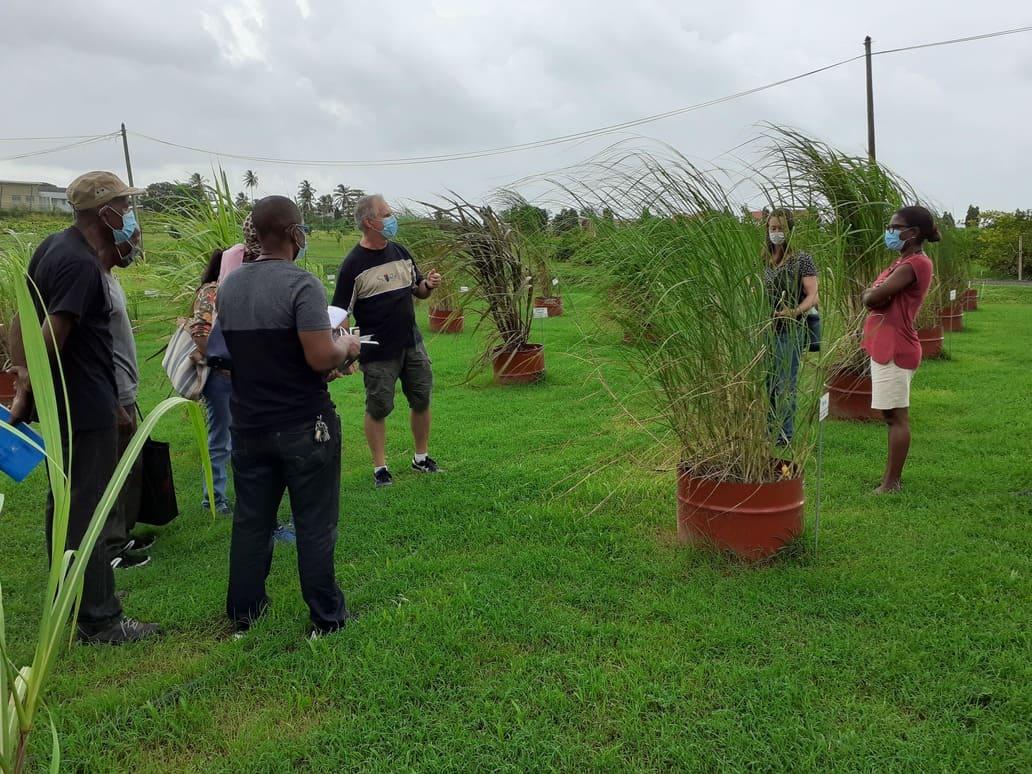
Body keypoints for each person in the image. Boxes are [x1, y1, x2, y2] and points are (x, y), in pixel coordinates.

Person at [7, 170, 159, 644]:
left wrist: (24, 378)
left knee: (67, 505)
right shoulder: (80, 264)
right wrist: (34, 375)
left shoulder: (53, 246)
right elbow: (50, 332)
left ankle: (68, 602)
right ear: (105, 211)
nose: (129, 214)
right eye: (125, 205)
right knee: (89, 513)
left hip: (69, 406)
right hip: (84, 410)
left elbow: (18, 318)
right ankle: (100, 619)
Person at [217, 195, 360, 636]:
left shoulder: (230, 287)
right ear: (294, 233)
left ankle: (245, 615)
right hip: (303, 425)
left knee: (251, 521)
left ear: (255, 235)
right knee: (314, 522)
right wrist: (347, 346)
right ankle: (326, 617)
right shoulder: (303, 285)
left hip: (248, 426)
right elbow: (320, 357)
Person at [332, 194, 442, 488]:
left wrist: (427, 285)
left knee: (421, 399)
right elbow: (341, 312)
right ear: (370, 222)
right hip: (377, 351)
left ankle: (421, 459)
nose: (393, 218)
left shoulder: (401, 251)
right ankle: (380, 469)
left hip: (412, 342)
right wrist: (343, 352)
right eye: (387, 213)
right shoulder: (352, 265)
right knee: (378, 407)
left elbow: (417, 290)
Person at [861, 205, 936, 494]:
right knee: (890, 415)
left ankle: (891, 483)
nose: (889, 232)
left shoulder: (915, 264)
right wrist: (873, 295)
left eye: (894, 227)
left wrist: (872, 294)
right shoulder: (901, 261)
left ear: (913, 232)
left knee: (896, 416)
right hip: (884, 345)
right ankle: (889, 480)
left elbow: (873, 296)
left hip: (896, 348)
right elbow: (874, 296)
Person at [102, 240, 155, 569]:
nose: (136, 246)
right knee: (109, 474)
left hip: (124, 391)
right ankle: (110, 548)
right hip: (110, 396)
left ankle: (122, 534)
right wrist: (113, 402)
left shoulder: (109, 276)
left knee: (128, 468)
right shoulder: (90, 277)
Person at [190, 244, 243, 516]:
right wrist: (221, 360)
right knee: (220, 438)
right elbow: (199, 331)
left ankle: (240, 494)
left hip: (243, 377)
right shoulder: (213, 291)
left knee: (239, 436)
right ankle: (214, 499)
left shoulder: (240, 289)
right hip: (221, 378)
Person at [763, 209, 819, 444]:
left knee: (786, 383)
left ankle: (784, 435)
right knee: (768, 383)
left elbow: (813, 296)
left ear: (790, 230)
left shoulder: (801, 259)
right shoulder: (765, 259)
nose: (776, 233)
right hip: (767, 329)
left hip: (791, 329)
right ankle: (769, 430)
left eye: (781, 228)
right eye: (772, 228)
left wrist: (792, 312)